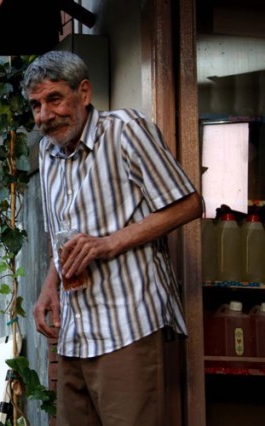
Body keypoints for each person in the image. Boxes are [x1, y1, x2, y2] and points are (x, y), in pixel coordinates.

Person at [23, 50, 202, 425]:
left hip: (127, 325)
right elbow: (61, 232)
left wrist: (108, 243)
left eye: (54, 99)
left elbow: (188, 204)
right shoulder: (47, 152)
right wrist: (50, 284)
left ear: (84, 93)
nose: (44, 115)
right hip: (75, 333)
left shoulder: (125, 130)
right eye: (36, 105)